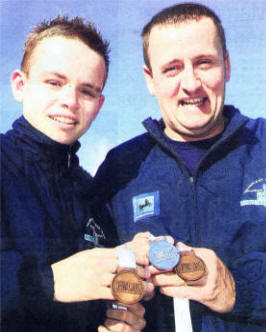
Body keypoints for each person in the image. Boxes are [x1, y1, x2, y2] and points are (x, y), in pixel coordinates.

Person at [94, 3, 266, 331]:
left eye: (204, 63)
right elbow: (87, 276)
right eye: (172, 68)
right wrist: (108, 317)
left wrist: (238, 289)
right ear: (150, 79)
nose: (191, 83)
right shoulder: (120, 168)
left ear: (226, 65)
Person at [1, 16, 153, 332]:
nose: (70, 101)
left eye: (86, 91)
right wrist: (49, 281)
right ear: (20, 85)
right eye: (54, 82)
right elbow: (58, 284)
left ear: (99, 104)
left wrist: (121, 317)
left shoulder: (93, 193)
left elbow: (103, 293)